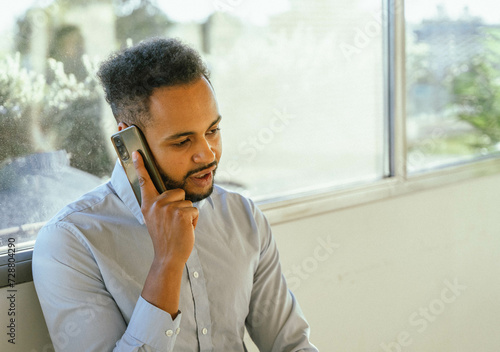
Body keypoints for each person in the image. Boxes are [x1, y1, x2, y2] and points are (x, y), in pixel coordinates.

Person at [33, 37, 318, 352]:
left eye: (212, 131)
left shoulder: (242, 217)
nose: (206, 154)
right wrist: (167, 262)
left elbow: (291, 345)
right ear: (127, 143)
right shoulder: (71, 241)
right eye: (183, 141)